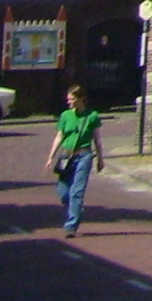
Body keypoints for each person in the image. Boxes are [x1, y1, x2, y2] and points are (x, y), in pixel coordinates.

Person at [47, 84, 104, 238]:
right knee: (64, 191)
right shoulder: (65, 115)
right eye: (68, 99)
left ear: (81, 99)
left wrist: (100, 159)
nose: (69, 101)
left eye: (72, 99)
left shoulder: (92, 116)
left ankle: (71, 225)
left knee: (76, 192)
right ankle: (76, 208)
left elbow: (97, 139)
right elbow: (60, 136)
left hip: (84, 156)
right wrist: (51, 156)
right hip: (66, 156)